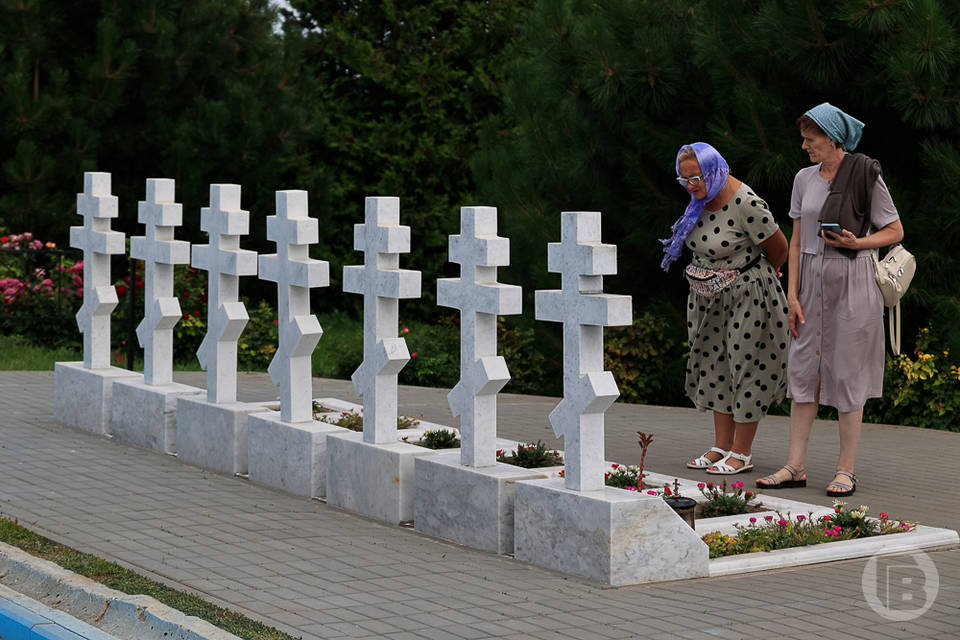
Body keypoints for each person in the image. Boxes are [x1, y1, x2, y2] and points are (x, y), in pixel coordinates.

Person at [756, 103, 904, 497]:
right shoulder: (804, 178)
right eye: (804, 139)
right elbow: (798, 237)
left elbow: (894, 230)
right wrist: (791, 295)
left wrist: (860, 242)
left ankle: (845, 470)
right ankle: (795, 465)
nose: (805, 146)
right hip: (809, 287)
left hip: (853, 285)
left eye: (811, 139)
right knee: (802, 374)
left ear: (833, 138)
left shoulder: (865, 174)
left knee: (848, 376)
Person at [661, 142, 789, 475]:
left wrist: (754, 274)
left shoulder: (746, 202)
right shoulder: (699, 202)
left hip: (749, 296)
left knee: (747, 367)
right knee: (714, 365)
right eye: (685, 180)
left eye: (696, 178)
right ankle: (722, 446)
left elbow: (778, 247)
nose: (692, 186)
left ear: (716, 170)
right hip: (709, 297)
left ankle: (742, 452)